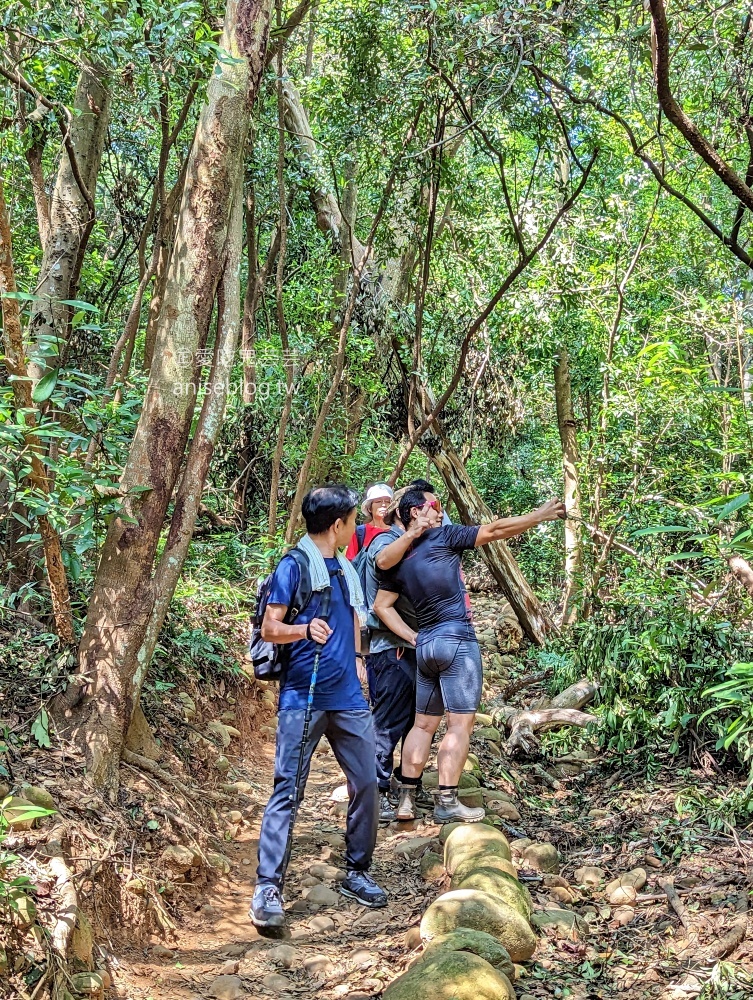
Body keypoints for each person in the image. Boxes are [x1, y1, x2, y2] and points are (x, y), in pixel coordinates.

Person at [374, 488, 565, 823]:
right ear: (418, 511)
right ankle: (447, 802)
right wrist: (538, 516)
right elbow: (493, 530)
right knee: (459, 725)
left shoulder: (397, 558)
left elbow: (381, 605)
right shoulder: (444, 537)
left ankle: (406, 800)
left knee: (422, 725)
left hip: (427, 646)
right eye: (435, 508)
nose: (440, 514)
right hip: (457, 640)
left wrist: (412, 636)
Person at [250, 485, 387, 930]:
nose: (355, 528)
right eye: (351, 521)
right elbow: (271, 628)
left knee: (367, 781)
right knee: (288, 790)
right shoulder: (293, 566)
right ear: (337, 526)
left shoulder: (345, 568)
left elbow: (355, 621)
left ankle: (357, 871)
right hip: (301, 697)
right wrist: (304, 629)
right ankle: (268, 886)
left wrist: (361, 661)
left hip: (348, 697)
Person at [362, 487, 432, 822]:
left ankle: (402, 788)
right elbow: (381, 565)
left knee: (410, 723)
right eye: (429, 506)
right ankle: (373, 792)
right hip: (393, 648)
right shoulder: (385, 541)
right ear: (412, 512)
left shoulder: (405, 542)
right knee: (387, 724)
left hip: (407, 648)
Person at [344, 483, 393, 561]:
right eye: (378, 501)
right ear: (369, 508)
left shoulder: (396, 532)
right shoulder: (360, 532)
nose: (383, 504)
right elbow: (350, 560)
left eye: (387, 501)